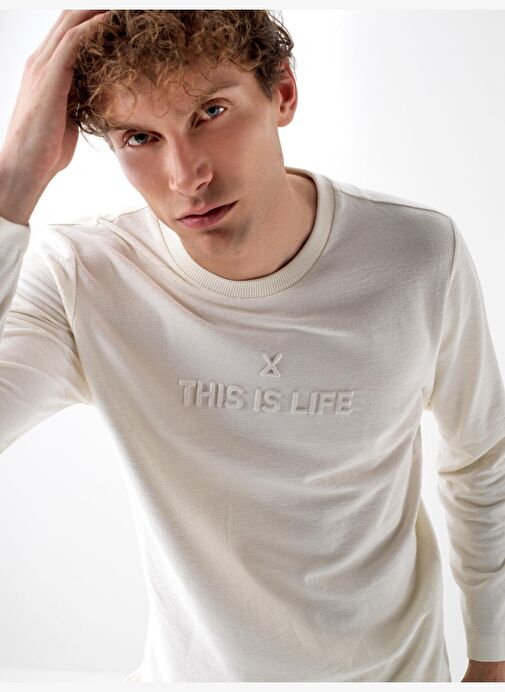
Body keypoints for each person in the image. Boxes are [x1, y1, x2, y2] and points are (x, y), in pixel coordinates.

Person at [0, 9, 504, 684]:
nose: (186, 176)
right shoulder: (84, 275)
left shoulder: (415, 253)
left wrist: (492, 660)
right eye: (140, 137)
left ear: (283, 93)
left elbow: (482, 458)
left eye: (210, 112)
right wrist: (14, 181)